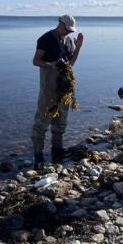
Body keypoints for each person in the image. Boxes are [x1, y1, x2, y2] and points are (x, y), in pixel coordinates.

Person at [31, 14, 84, 167]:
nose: (69, 33)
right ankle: (38, 154)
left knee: (61, 121)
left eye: (71, 31)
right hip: (48, 87)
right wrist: (51, 64)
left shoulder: (68, 41)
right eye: (67, 29)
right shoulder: (45, 39)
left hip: (64, 88)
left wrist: (78, 46)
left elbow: (70, 64)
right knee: (42, 120)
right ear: (60, 24)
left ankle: (57, 150)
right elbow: (35, 61)